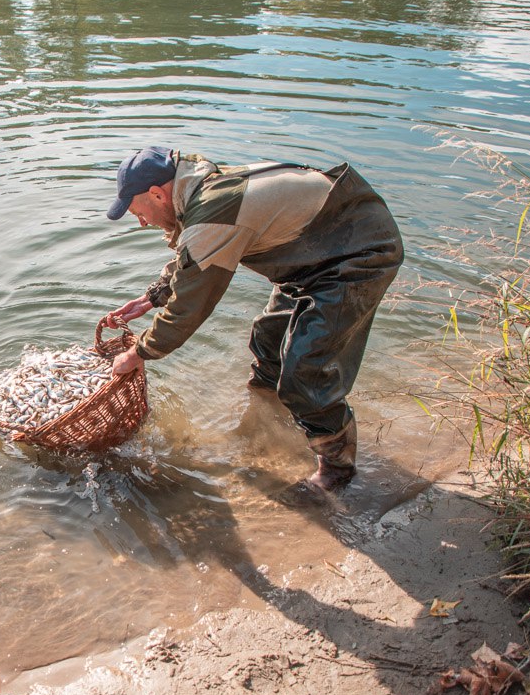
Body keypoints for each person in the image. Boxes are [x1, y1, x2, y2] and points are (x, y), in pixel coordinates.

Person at [103, 146, 403, 495]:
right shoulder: (202, 189)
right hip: (311, 258)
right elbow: (195, 255)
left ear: (157, 194)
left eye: (139, 213)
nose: (142, 222)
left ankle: (338, 470)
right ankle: (268, 421)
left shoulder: (214, 209)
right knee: (268, 338)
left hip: (357, 253)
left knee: (306, 370)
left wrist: (139, 352)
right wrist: (152, 297)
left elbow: (190, 307)